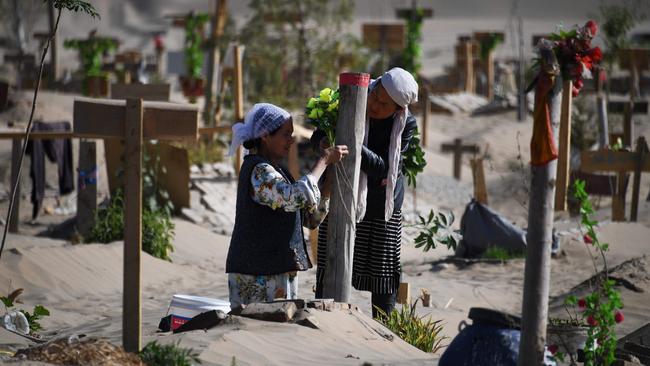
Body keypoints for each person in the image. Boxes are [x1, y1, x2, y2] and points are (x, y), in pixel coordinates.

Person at [313, 67, 419, 318]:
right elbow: (319, 134)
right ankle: (324, 318)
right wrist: (323, 142)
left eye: (383, 104)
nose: (373, 104)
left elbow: (385, 167)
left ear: (398, 110)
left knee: (382, 274)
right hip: (341, 193)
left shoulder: (406, 124)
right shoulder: (351, 97)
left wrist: (354, 143)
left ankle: (383, 326)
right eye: (375, 95)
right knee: (331, 262)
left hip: (383, 203)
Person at [226, 103, 348, 309]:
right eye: (286, 134)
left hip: (275, 270)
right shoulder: (258, 170)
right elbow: (292, 198)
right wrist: (324, 160)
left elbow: (309, 219)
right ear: (265, 136)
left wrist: (327, 186)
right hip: (256, 273)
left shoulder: (277, 171)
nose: (291, 141)